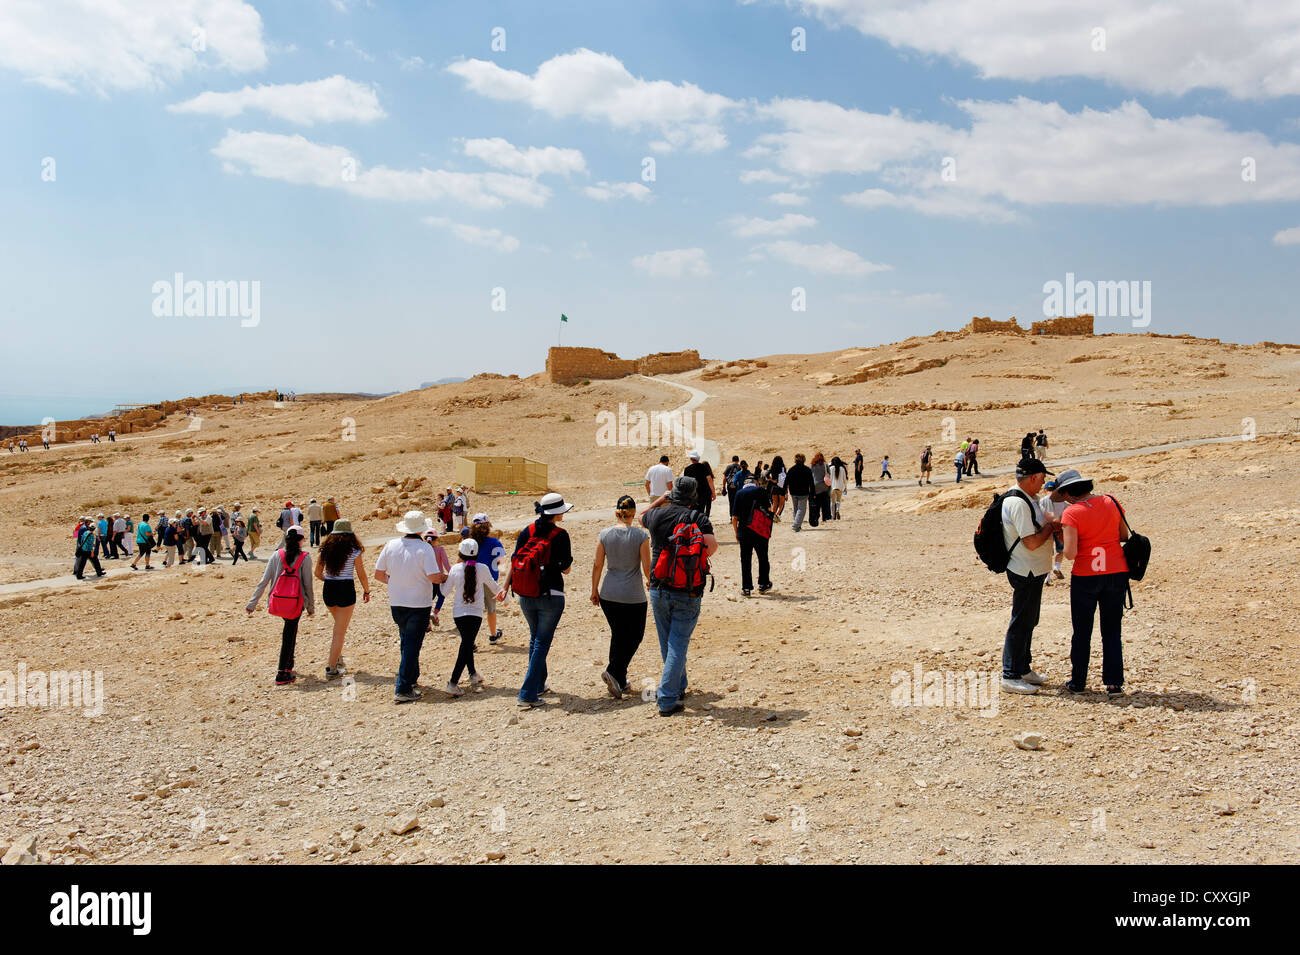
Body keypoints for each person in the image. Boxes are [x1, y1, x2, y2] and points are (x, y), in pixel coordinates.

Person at [641, 476, 717, 716]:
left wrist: (661, 498)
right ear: (693, 497)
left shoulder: (657, 516)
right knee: (678, 643)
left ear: (672, 495)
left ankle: (679, 685)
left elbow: (641, 514)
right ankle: (666, 698)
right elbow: (711, 547)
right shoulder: (699, 518)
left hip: (658, 587)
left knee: (668, 641)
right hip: (688, 589)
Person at [1058, 469, 1130, 695]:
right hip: (1116, 571)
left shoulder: (1071, 513)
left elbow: (1069, 554)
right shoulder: (1111, 501)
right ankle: (1114, 683)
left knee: (1081, 631)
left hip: (1086, 576)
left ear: (1069, 493)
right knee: (1111, 630)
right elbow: (1124, 536)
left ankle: (1078, 682)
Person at [500, 493, 573, 708]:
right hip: (551, 595)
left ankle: (539, 685)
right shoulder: (561, 534)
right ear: (557, 513)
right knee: (541, 642)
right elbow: (566, 569)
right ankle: (528, 694)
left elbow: (514, 561)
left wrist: (505, 587)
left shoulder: (527, 531)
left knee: (535, 638)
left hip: (526, 594)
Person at [374, 511, 448, 703]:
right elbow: (433, 577)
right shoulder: (425, 549)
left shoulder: (391, 545)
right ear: (421, 529)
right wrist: (443, 578)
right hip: (418, 603)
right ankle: (403, 687)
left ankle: (411, 677)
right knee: (413, 645)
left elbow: (379, 574)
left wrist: (396, 582)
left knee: (406, 640)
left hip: (397, 601)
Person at [999, 459, 1059, 695]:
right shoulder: (1018, 503)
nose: (1044, 481)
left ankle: (1022, 668)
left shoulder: (1029, 499)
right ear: (1033, 477)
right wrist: (1050, 529)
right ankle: (1010, 674)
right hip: (1025, 569)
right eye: (1043, 477)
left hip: (1033, 569)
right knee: (1021, 622)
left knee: (1029, 620)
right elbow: (1031, 542)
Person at [591, 495, 651, 698]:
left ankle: (620, 680)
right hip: (632, 594)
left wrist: (594, 589)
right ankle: (613, 671)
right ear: (634, 514)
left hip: (609, 592)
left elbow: (597, 564)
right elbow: (646, 566)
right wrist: (652, 582)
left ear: (616, 512)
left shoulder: (604, 534)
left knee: (618, 635)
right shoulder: (641, 536)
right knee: (635, 636)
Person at [246, 526, 315, 686]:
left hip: (278, 601)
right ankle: (282, 672)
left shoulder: (276, 555)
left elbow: (263, 581)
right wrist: (311, 607)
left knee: (289, 631)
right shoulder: (305, 557)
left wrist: (252, 603)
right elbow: (308, 585)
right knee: (289, 634)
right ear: (300, 540)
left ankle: (289, 666)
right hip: (296, 603)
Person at [439, 537, 504, 697]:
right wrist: (506, 598)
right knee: (467, 644)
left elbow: (444, 592)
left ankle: (473, 674)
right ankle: (453, 683)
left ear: (460, 553)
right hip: (475, 614)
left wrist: (441, 580)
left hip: (459, 614)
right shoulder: (482, 568)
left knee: (467, 643)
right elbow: (493, 586)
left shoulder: (454, 569)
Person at [315, 519, 369, 679]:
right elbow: (361, 573)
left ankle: (338, 659)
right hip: (346, 589)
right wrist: (367, 590)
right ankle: (332, 668)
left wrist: (329, 581)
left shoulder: (325, 549)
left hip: (329, 589)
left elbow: (317, 573)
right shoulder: (354, 551)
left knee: (338, 626)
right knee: (339, 632)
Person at [731, 475, 772, 597]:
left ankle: (746, 588)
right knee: (763, 557)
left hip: (744, 531)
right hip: (760, 530)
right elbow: (769, 510)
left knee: (745, 559)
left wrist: (736, 533)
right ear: (755, 483)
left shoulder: (739, 493)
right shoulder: (762, 491)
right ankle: (763, 584)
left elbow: (734, 517)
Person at [469, 514, 507, 643]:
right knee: (491, 609)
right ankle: (492, 635)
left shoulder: (468, 543)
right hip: (489, 580)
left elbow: (460, 561)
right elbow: (501, 562)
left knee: (473, 610)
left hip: (471, 580)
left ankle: (471, 641)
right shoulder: (494, 542)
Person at [1040, 478, 1069, 584]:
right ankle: (1057, 567)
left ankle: (1047, 576)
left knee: (1048, 553)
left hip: (1046, 528)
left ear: (1045, 490)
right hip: (1059, 528)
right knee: (1061, 550)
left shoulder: (1041, 501)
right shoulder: (1061, 501)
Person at [785, 452, 814, 532]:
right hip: (803, 492)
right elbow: (811, 482)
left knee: (796, 509)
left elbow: (786, 481)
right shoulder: (807, 470)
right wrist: (813, 493)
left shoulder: (791, 469)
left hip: (793, 492)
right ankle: (795, 525)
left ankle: (798, 525)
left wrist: (785, 491)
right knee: (802, 509)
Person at [682, 450, 715, 516]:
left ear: (691, 459)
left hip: (692, 494)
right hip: (704, 494)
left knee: (693, 512)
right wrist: (713, 492)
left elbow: (685, 483)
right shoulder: (704, 467)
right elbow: (709, 479)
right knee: (701, 510)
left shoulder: (687, 469)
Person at [809, 452, 831, 526]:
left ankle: (816, 517)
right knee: (825, 504)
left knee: (817, 504)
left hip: (815, 487)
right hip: (824, 486)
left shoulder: (811, 466)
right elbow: (829, 474)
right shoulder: (825, 465)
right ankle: (825, 518)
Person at [767, 455, 788, 522]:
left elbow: (767, 474)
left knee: (775, 503)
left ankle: (774, 516)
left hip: (774, 487)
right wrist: (787, 491)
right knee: (781, 504)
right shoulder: (783, 468)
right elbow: (785, 478)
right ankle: (777, 515)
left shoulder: (772, 467)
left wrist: (772, 480)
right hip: (781, 487)